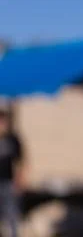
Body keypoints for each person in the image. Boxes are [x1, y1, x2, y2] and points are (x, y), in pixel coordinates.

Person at [0, 101, 25, 237]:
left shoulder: (13, 139)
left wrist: (20, 181)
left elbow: (21, 162)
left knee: (11, 214)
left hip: (8, 182)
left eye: (3, 122)